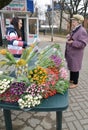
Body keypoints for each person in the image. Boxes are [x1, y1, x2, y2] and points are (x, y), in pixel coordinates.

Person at [65, 14, 88, 89]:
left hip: (76, 54)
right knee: (72, 67)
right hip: (72, 53)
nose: (73, 23)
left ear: (78, 22)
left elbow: (83, 44)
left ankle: (75, 83)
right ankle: (71, 80)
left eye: (74, 21)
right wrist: (69, 37)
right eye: (72, 21)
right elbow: (74, 38)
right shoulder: (75, 29)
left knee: (75, 68)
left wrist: (72, 43)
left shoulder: (82, 31)